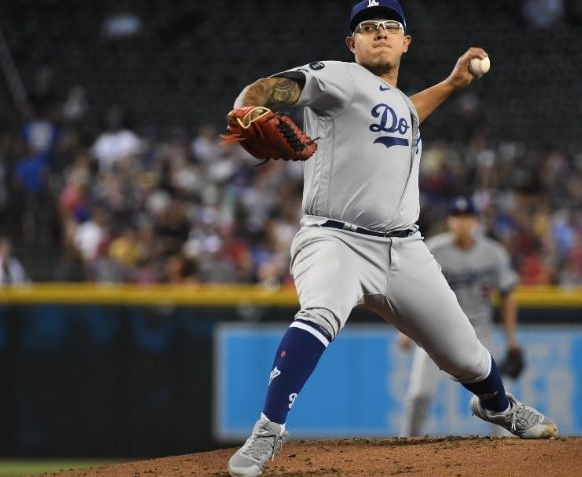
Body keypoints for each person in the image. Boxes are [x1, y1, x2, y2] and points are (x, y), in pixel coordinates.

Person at [226, 2, 557, 475]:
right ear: (351, 44)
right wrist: (247, 108)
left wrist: (451, 84)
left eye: (390, 27)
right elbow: (267, 88)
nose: (379, 32)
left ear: (406, 43)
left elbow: (406, 112)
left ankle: (498, 407)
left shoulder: (396, 103)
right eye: (367, 27)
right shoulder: (340, 78)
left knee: (468, 356)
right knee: (319, 312)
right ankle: (268, 430)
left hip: (404, 249)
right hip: (334, 239)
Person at [398, 196, 522, 437]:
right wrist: (405, 330)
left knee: (500, 397)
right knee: (419, 395)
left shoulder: (493, 253)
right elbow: (412, 290)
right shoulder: (433, 249)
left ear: (476, 221)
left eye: (467, 217)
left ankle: (508, 454)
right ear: (449, 221)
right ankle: (406, 447)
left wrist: (511, 339)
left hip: (480, 331)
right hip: (436, 331)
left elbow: (508, 295)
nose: (462, 223)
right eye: (457, 217)